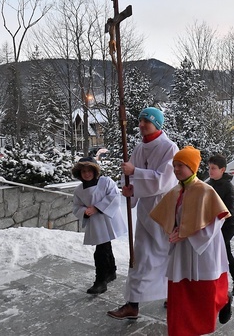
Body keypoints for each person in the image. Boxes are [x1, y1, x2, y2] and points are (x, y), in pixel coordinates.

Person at [150, 146, 232, 336]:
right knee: (181, 290)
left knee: (202, 290)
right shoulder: (176, 191)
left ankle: (200, 324)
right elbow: (168, 217)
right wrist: (172, 231)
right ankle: (180, 329)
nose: (176, 169)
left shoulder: (205, 190)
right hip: (182, 247)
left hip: (202, 248)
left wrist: (187, 233)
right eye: (175, 165)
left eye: (181, 165)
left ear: (192, 167)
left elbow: (216, 221)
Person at [107, 107, 178, 320]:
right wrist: (130, 190)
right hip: (146, 213)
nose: (141, 125)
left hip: (164, 210)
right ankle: (133, 304)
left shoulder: (169, 148)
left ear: (157, 123)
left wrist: (135, 173)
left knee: (166, 257)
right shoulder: (139, 148)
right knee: (141, 258)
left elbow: (165, 180)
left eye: (145, 121)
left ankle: (170, 295)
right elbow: (129, 176)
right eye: (139, 121)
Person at [72, 157, 127, 295]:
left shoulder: (105, 182)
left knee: (101, 250)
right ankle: (111, 272)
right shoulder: (79, 190)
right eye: (83, 171)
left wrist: (97, 208)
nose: (87, 174)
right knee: (104, 246)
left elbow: (114, 195)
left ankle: (101, 281)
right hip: (95, 223)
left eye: (89, 170)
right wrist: (84, 211)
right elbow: (76, 206)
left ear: (95, 171)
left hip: (107, 218)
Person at [207, 154, 234, 297]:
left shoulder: (228, 186)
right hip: (215, 224)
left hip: (227, 224)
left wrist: (216, 217)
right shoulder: (210, 183)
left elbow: (229, 210)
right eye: (209, 168)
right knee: (223, 251)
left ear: (222, 169)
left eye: (213, 168)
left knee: (222, 251)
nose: (210, 171)